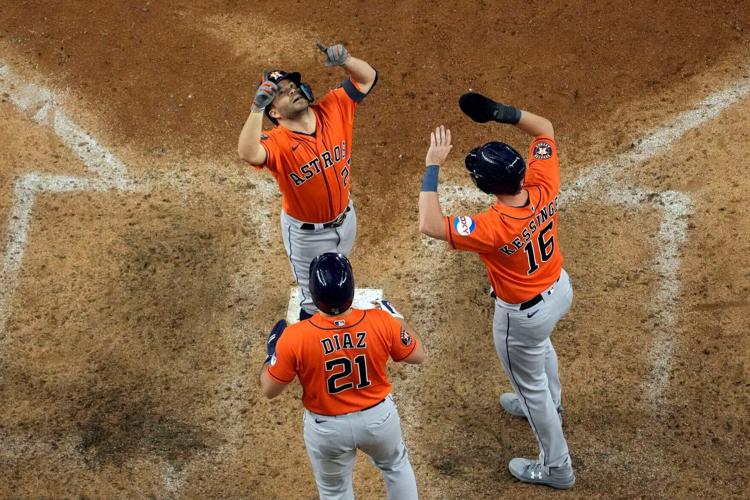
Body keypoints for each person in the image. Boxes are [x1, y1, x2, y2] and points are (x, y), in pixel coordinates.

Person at [416, 93, 575, 489]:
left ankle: (557, 467)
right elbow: (544, 129)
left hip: (523, 316)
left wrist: (432, 166)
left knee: (531, 385)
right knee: (541, 354)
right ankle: (550, 403)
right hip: (558, 289)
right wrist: (500, 114)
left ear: (487, 187)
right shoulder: (543, 182)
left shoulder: (495, 226)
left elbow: (430, 224)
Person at [259, 252, 426, 499]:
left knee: (334, 492)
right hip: (379, 421)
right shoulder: (381, 322)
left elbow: (269, 389)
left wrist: (272, 353)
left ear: (314, 297)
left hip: (328, 430)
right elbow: (418, 354)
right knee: (396, 467)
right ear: (352, 290)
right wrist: (397, 319)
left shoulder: (295, 338)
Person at [238, 42, 378, 320]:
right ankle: (318, 355)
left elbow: (367, 78)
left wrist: (346, 59)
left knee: (340, 280)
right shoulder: (276, 142)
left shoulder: (334, 107)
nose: (291, 90)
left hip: (346, 218)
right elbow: (248, 152)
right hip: (306, 237)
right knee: (315, 301)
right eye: (279, 92)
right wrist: (256, 108)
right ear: (274, 113)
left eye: (292, 85)